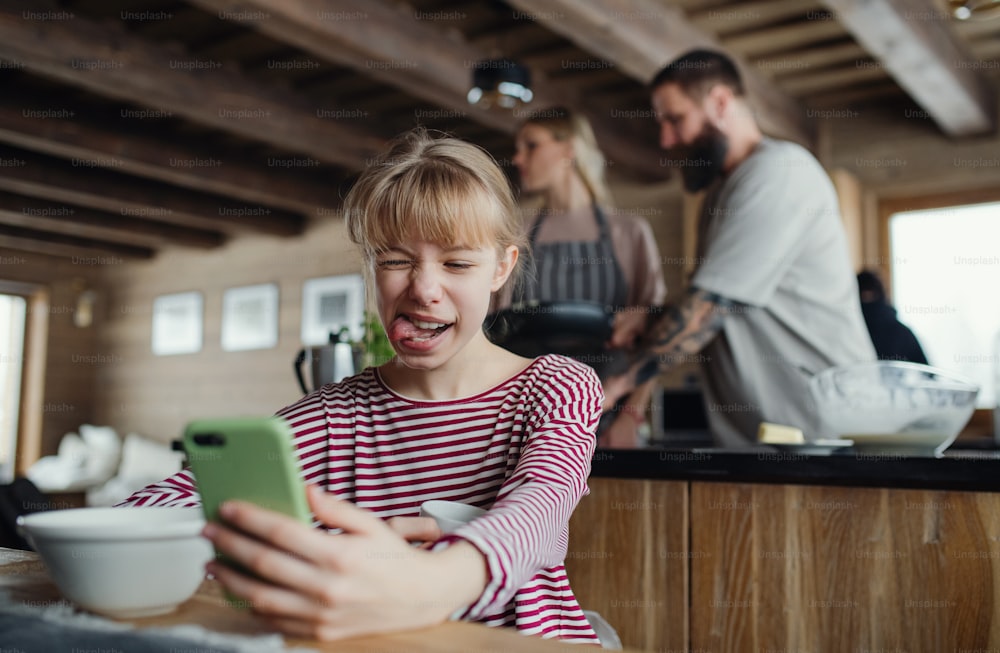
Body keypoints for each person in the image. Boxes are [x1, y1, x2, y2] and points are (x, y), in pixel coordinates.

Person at [119, 128, 603, 644]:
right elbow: (168, 505)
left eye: (458, 263)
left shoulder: (558, 386)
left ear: (501, 268)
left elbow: (541, 509)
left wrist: (436, 580)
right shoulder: (333, 415)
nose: (423, 289)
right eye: (394, 260)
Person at [605, 49, 877, 448]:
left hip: (825, 437)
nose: (665, 140)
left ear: (719, 102)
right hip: (761, 441)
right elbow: (726, 304)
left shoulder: (778, 174)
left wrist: (613, 391)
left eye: (675, 120)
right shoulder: (720, 191)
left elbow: (706, 311)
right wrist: (652, 316)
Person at [494, 106, 667, 448]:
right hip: (527, 420)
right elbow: (496, 330)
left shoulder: (628, 233)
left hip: (609, 414)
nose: (517, 158)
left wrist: (632, 414)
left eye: (531, 145)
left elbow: (657, 335)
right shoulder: (517, 236)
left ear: (569, 149)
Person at [857, 269, 928, 364]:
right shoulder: (849, 333)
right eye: (863, 297)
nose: (868, 303)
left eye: (871, 296)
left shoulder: (902, 334)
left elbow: (927, 372)